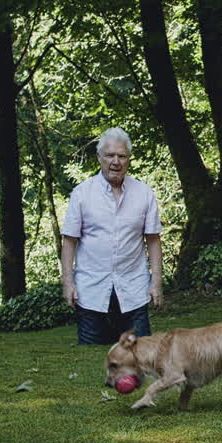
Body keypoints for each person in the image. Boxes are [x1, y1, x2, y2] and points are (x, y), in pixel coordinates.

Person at [60, 127, 164, 346]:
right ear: (99, 157)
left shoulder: (144, 193)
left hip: (134, 291)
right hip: (91, 293)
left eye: (122, 156)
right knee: (90, 359)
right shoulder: (81, 193)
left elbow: (153, 240)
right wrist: (68, 283)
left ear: (128, 159)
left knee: (141, 356)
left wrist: (156, 283)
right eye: (110, 155)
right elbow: (69, 241)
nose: (115, 161)